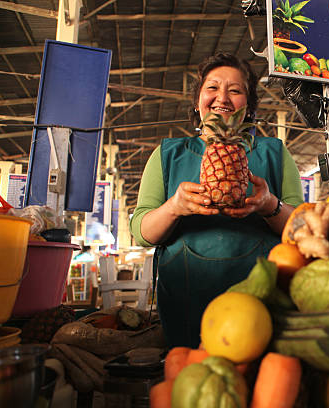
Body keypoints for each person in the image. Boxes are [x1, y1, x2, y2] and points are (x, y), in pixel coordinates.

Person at [130, 53, 304, 348]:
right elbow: (141, 233)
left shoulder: (274, 152)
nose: (222, 97)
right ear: (198, 101)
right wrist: (174, 207)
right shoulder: (168, 154)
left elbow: (301, 228)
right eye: (212, 88)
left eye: (235, 90)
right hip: (186, 298)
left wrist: (270, 205)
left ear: (247, 106)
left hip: (261, 297)